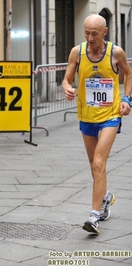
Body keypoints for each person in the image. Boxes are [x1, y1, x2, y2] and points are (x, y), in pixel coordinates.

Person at [62, 14, 132, 234]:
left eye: (94, 33)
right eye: (86, 33)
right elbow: (66, 78)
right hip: (86, 116)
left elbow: (129, 75)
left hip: (110, 115)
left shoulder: (116, 52)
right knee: (94, 164)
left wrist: (127, 99)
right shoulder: (77, 53)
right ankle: (105, 199)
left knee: (99, 162)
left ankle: (93, 216)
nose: (90, 38)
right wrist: (67, 88)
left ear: (105, 32)